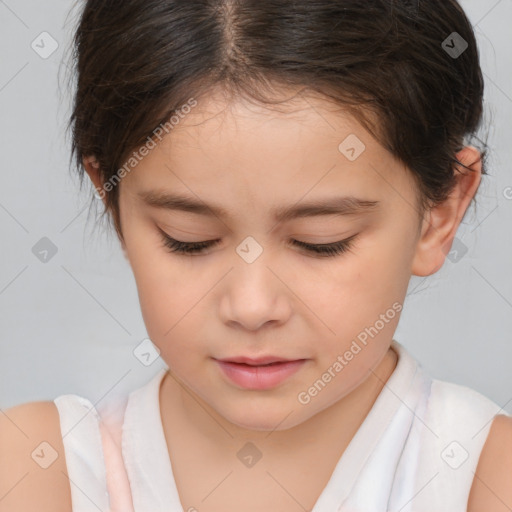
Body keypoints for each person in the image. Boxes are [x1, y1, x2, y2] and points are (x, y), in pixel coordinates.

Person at [1, 0, 511, 510]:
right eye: (187, 238)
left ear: (440, 212)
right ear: (113, 200)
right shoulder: (35, 470)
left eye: (320, 241)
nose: (251, 307)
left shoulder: (485, 478)